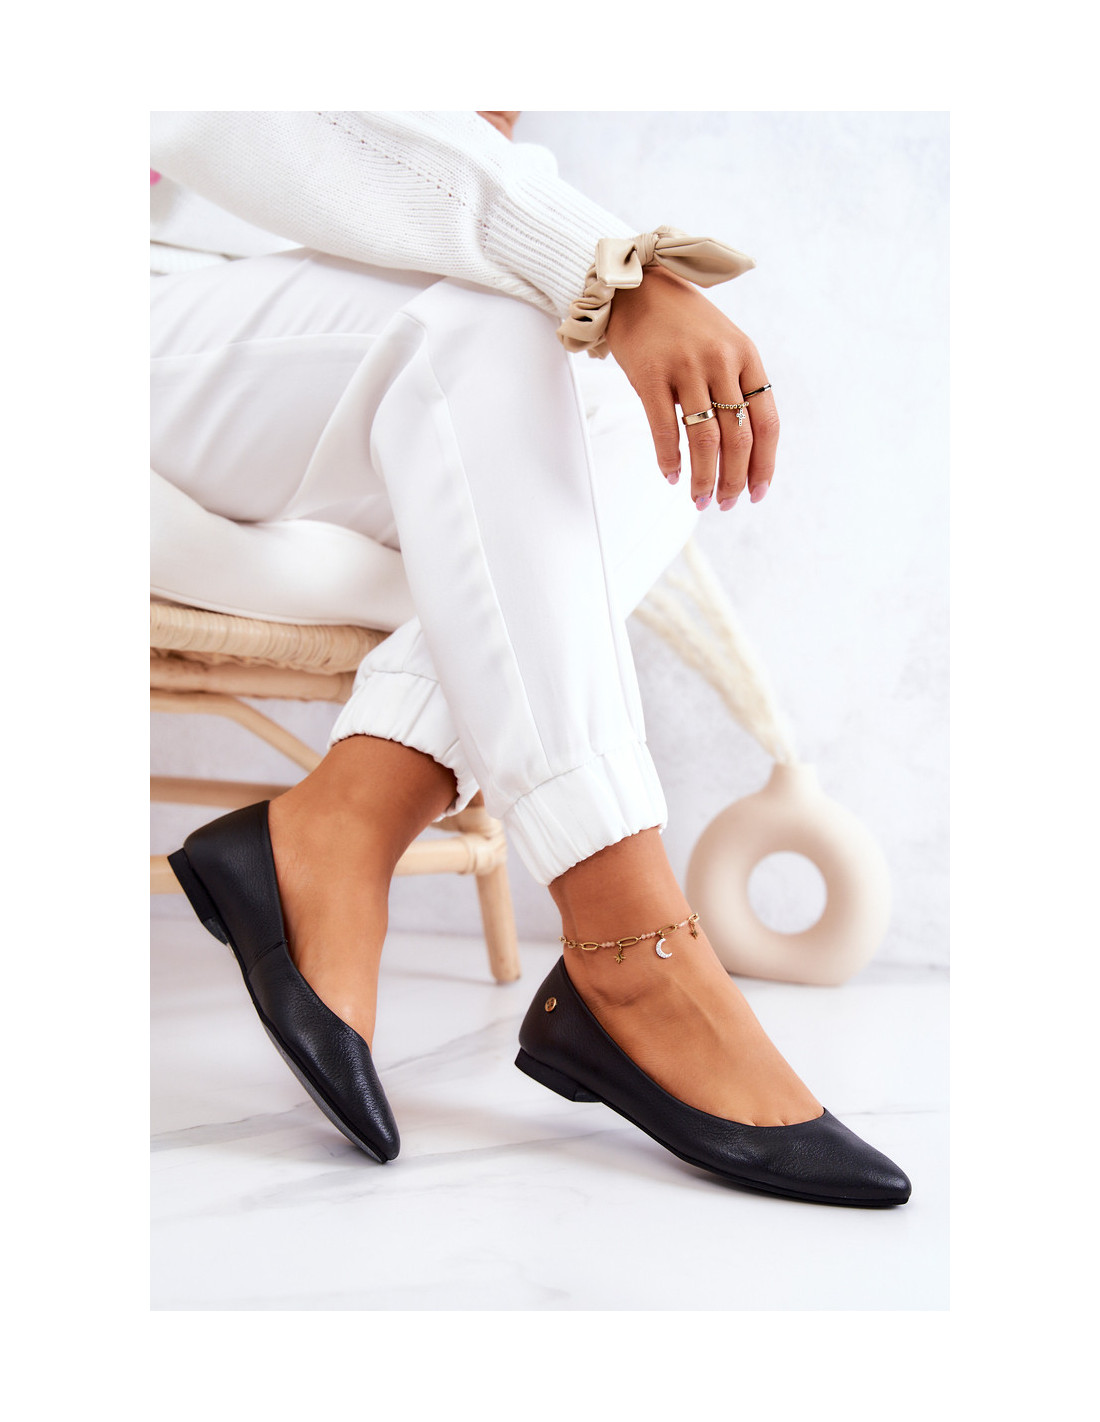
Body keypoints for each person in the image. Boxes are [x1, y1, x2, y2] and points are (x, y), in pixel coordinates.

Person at [152, 110, 910, 1206]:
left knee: (629, 406)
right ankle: (631, 950)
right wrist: (616, 273)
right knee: (499, 329)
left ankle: (348, 818)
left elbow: (427, 139)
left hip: (269, 313)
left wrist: (598, 277)